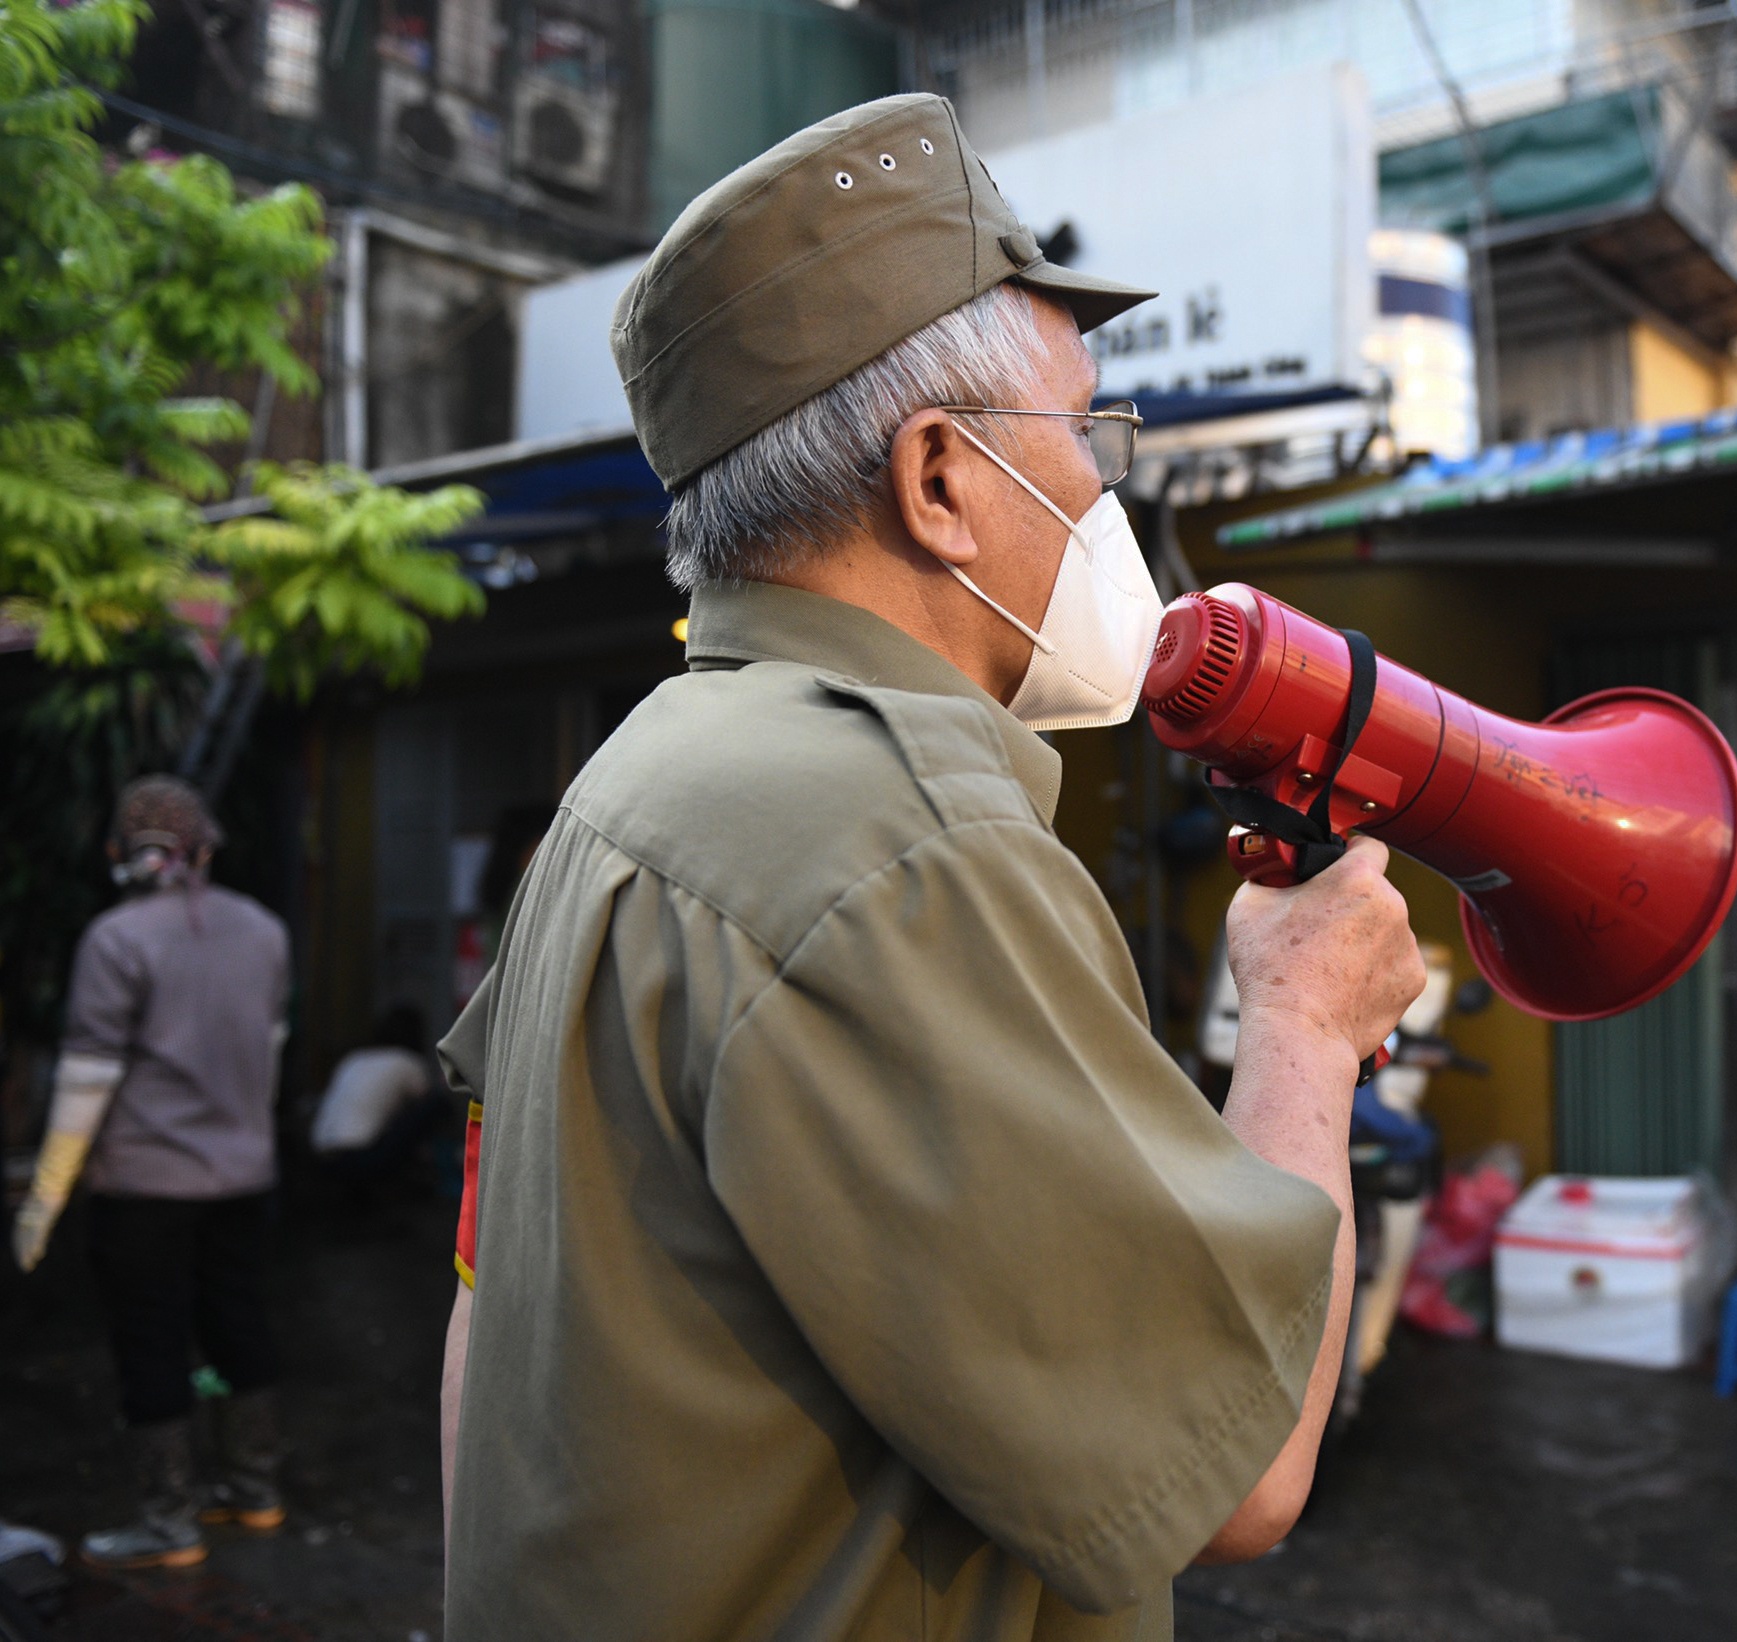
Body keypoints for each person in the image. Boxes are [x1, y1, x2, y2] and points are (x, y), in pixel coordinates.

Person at [435, 93, 1424, 1642]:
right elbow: (1235, 1474)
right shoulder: (902, 842)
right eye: (1086, 435)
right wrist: (1302, 1020)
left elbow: (480, 1329)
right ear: (941, 479)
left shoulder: (626, 787)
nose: (1108, 493)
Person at [10, 776, 292, 1567]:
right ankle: (255, 1490)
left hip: (144, 1189)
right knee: (240, 1322)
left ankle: (168, 1524)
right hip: (243, 1177)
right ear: (206, 847)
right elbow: (265, 1059)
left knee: (153, 1341)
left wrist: (43, 1199)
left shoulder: (115, 939)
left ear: (118, 851)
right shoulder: (265, 931)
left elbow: (87, 1083)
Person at [308, 1004, 445, 1188]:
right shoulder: (407, 1061)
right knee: (437, 1103)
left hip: (319, 1152)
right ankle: (437, 1173)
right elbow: (426, 1102)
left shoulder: (355, 1057)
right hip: (363, 1156)